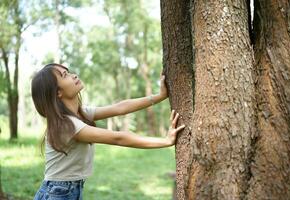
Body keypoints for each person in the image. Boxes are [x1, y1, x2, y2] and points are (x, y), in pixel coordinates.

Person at [31, 63, 185, 200]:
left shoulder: (79, 113)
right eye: (65, 76)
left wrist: (159, 97)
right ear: (58, 93)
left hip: (64, 191)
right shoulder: (66, 125)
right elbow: (117, 138)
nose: (74, 75)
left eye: (69, 72)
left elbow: (120, 108)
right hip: (57, 193)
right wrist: (165, 141)